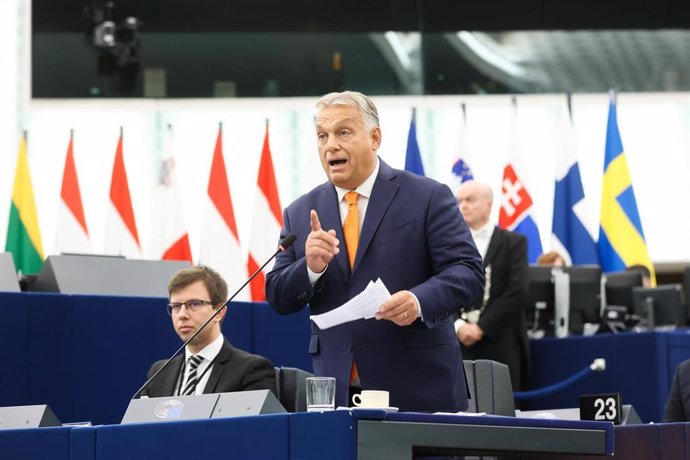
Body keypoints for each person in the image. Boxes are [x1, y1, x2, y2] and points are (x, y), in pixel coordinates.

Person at [265, 91, 485, 412]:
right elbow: (277, 295)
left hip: (416, 388)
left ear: (375, 137)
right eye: (322, 136)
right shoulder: (301, 212)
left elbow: (468, 272)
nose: (331, 146)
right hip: (337, 392)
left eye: (343, 132)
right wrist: (310, 268)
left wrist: (418, 300)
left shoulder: (427, 196)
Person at [141, 265, 277, 397]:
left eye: (193, 304)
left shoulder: (251, 370)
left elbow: (254, 421)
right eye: (176, 306)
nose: (182, 314)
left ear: (219, 312)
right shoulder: (159, 372)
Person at [455, 180, 530, 391]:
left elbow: (518, 291)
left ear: (488, 204)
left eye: (470, 200)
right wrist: (458, 326)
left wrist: (481, 327)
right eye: (459, 201)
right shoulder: (449, 245)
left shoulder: (513, 242)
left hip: (500, 343)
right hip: (458, 346)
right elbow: (441, 287)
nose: (463, 206)